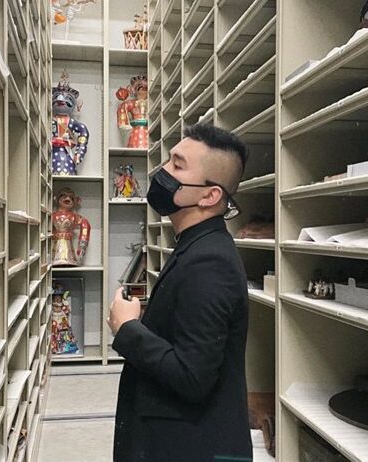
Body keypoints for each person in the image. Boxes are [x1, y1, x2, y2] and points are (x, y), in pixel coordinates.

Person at [107, 123, 252, 461]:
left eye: (177, 165)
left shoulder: (210, 262)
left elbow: (193, 376)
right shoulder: (196, 246)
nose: (163, 172)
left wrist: (128, 330)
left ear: (209, 195)